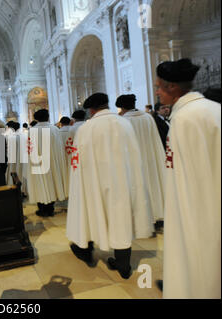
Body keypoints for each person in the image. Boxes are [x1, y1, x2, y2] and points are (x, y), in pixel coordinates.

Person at [66, 93, 153, 279]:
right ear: (106, 105)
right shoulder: (124, 123)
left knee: (93, 215)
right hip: (123, 182)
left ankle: (86, 251)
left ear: (91, 110)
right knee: (121, 221)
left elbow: (77, 163)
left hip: (95, 184)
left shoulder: (86, 129)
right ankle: (123, 266)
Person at [156, 58, 220, 299]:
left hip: (195, 209)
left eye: (159, 87)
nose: (157, 92)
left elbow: (182, 178)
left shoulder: (183, 119)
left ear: (172, 87)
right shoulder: (215, 109)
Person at [117, 94, 166, 231]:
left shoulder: (122, 121)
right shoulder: (148, 117)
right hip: (151, 160)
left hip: (133, 163)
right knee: (154, 187)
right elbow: (155, 140)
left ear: (122, 107)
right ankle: (157, 217)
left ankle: (141, 220)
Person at [26, 109, 68, 217]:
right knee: (53, 183)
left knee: (40, 184)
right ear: (48, 117)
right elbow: (59, 148)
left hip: (38, 163)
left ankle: (42, 209)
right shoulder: (54, 129)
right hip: (53, 162)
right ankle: (50, 209)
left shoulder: (32, 131)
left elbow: (30, 149)